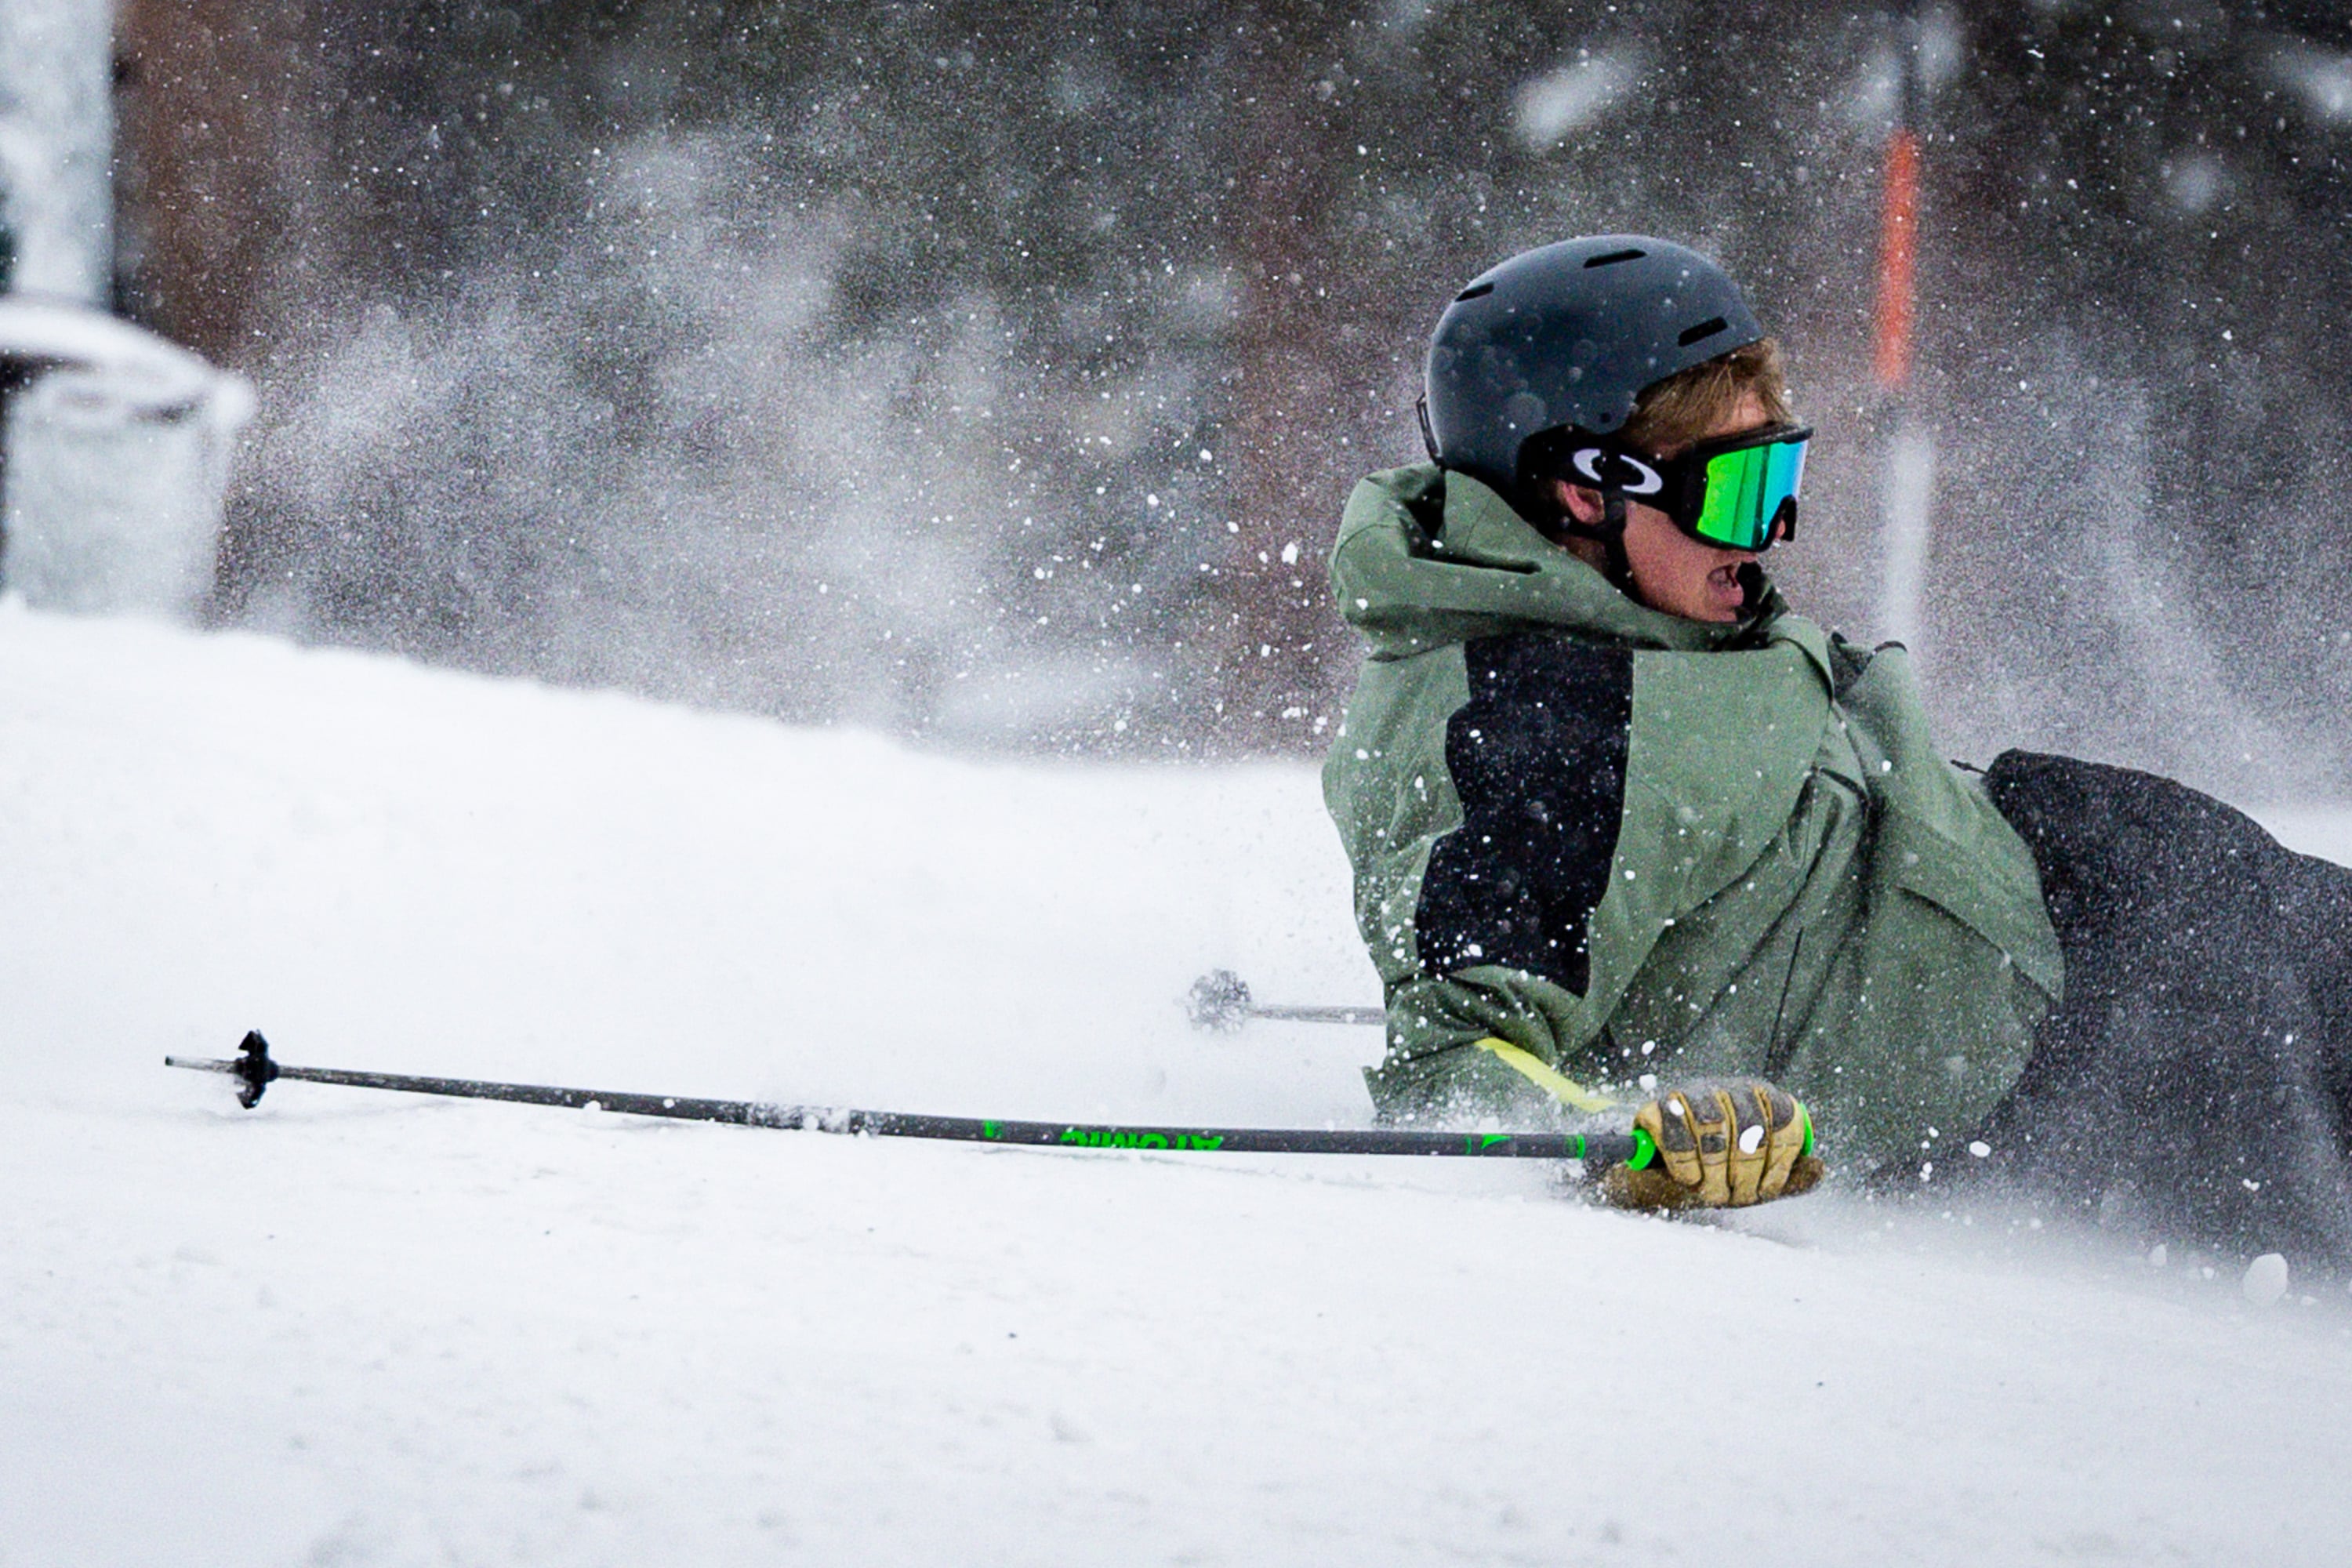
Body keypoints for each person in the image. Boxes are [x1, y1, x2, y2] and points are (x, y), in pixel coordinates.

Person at [1322, 234, 2352, 1259]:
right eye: (1733, 490)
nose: (1768, 534)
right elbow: (1453, 1077)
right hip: (2083, 1034)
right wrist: (1634, 1143)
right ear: (1584, 491)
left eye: (1779, 477)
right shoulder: (1529, 739)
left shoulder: (1599, 620)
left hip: (2055, 864)